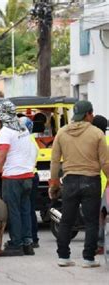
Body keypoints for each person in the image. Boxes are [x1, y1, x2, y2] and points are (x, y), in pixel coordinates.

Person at [49, 101, 109, 268]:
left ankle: (63, 257)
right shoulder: (97, 133)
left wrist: (53, 184)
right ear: (88, 114)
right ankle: (88, 258)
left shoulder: (61, 133)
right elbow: (105, 162)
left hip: (70, 181)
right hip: (91, 180)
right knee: (91, 222)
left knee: (67, 220)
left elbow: (55, 162)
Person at [0, 100, 38, 256]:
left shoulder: (6, 131)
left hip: (13, 178)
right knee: (25, 209)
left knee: (13, 211)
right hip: (28, 176)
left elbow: (1, 157)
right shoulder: (23, 128)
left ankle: (16, 244)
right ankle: (28, 243)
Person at [19, 116, 40, 248]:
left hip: (28, 176)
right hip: (31, 175)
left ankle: (31, 238)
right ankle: (32, 237)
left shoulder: (27, 141)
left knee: (27, 208)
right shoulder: (30, 140)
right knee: (29, 208)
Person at [90, 115, 108, 255]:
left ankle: (100, 244)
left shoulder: (95, 141)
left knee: (99, 217)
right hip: (105, 184)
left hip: (98, 184)